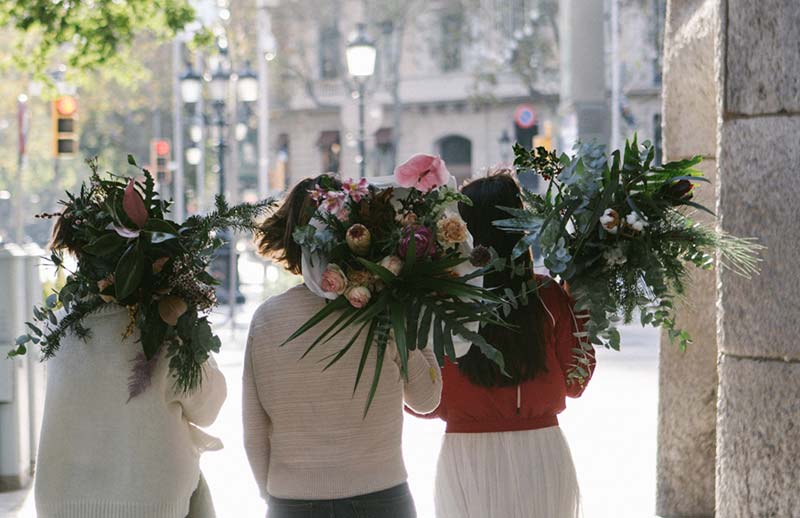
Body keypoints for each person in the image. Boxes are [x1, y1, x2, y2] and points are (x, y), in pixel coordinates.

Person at [244, 175, 442, 518]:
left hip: (293, 501)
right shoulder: (382, 312)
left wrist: (276, 496)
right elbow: (426, 399)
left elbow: (254, 432)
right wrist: (408, 308)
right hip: (380, 497)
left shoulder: (266, 320)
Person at [412, 172, 595, 518]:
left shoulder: (442, 302)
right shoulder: (546, 297)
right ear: (520, 231)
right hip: (540, 454)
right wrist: (579, 305)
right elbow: (577, 381)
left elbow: (422, 403)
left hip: (467, 456)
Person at [35, 215, 228, 518]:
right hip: (153, 504)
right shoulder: (162, 330)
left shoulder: (56, 330)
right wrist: (188, 332)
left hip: (62, 502)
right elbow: (208, 410)